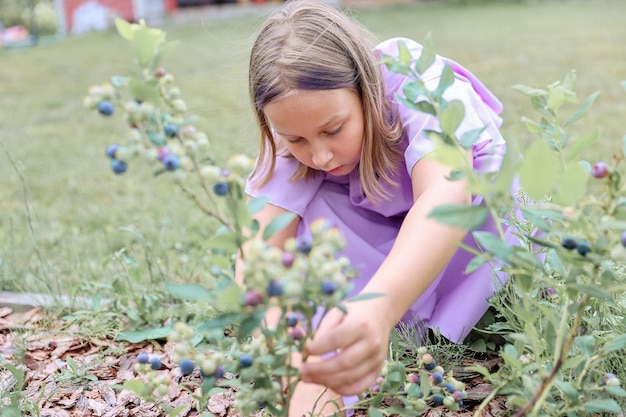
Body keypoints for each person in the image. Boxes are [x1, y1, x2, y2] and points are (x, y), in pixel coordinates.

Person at [242, 0, 515, 415]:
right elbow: (257, 255)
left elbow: (445, 199)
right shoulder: (295, 129)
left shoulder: (414, 79)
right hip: (380, 235)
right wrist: (291, 353)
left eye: (333, 130)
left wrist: (381, 307)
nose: (321, 155)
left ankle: (401, 308)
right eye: (296, 140)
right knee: (306, 238)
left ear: (366, 89)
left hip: (466, 235)